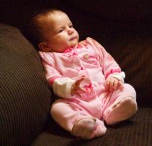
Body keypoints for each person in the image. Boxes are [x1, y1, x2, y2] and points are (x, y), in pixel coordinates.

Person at [27, 9, 138, 140]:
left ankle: (116, 112)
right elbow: (53, 79)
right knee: (57, 109)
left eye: (70, 26)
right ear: (45, 46)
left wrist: (114, 76)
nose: (70, 31)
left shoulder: (91, 44)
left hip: (106, 94)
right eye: (60, 30)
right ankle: (83, 125)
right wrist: (70, 87)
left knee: (127, 88)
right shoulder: (50, 57)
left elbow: (108, 62)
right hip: (77, 103)